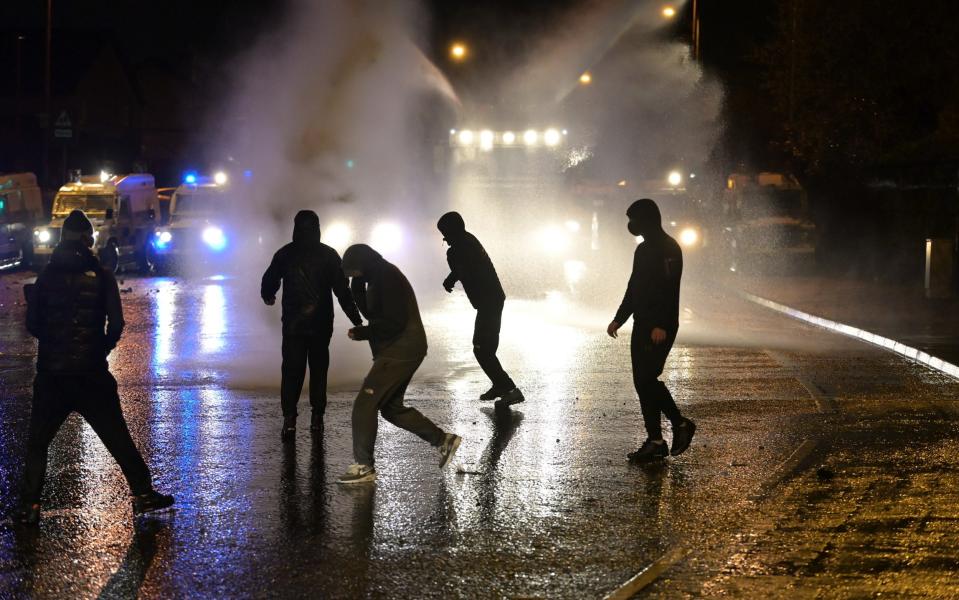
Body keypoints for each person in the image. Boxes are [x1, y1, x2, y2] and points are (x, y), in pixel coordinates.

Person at [14, 210, 173, 524]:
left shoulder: (45, 277)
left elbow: (33, 325)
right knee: (117, 436)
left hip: (52, 376)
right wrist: (100, 348)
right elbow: (115, 325)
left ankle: (30, 507)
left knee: (38, 443)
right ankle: (142, 494)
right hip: (91, 375)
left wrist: (54, 342)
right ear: (88, 240)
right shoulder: (102, 276)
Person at [337, 244, 461, 484]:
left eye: (354, 273)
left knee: (365, 403)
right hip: (399, 349)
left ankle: (364, 466)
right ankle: (443, 440)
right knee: (391, 408)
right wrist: (357, 288)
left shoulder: (387, 277)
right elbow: (372, 313)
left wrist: (363, 333)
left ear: (363, 264)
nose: (353, 278)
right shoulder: (375, 277)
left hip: (401, 349)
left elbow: (393, 322)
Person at [261, 210, 364, 442]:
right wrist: (356, 319)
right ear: (318, 228)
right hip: (321, 325)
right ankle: (317, 417)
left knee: (291, 371)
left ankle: (289, 419)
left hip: (293, 325)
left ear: (295, 228)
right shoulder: (328, 255)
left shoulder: (285, 254)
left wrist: (268, 296)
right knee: (319, 370)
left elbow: (269, 280)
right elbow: (342, 292)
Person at [607, 199, 696, 463]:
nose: (631, 225)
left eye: (634, 219)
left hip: (659, 326)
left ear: (646, 219)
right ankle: (655, 441)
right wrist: (619, 318)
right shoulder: (643, 250)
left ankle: (680, 424)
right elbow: (634, 286)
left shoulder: (669, 248)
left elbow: (668, 288)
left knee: (647, 379)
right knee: (641, 382)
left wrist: (660, 324)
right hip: (641, 323)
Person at [436, 212, 524, 405]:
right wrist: (452, 276)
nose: (445, 238)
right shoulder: (467, 241)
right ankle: (499, 384)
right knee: (487, 348)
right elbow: (465, 268)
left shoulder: (460, 247)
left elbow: (464, 268)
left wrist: (450, 278)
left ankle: (510, 389)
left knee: (482, 349)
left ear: (453, 230)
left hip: (488, 302)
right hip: (490, 300)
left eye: (445, 233)